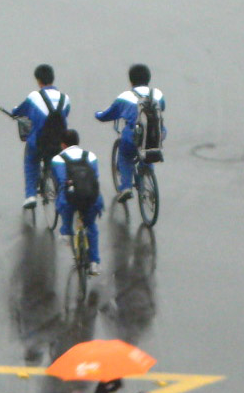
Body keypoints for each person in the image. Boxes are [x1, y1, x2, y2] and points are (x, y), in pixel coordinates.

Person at [95, 64, 166, 202]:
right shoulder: (157, 94)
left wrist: (98, 115)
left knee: (125, 156)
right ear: (148, 79)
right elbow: (161, 107)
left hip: (133, 136)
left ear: (131, 81)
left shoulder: (125, 97)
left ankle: (126, 187)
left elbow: (109, 114)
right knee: (148, 151)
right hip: (156, 134)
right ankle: (146, 176)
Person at [11, 64, 71, 210]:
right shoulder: (65, 98)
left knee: (31, 161)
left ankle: (30, 195)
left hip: (38, 142)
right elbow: (65, 115)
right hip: (58, 142)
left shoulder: (34, 97)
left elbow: (20, 111)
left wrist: (14, 112)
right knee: (56, 162)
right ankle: (63, 191)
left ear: (38, 80)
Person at [51, 129, 104, 276]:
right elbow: (95, 177)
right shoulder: (91, 156)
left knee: (63, 201)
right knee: (91, 226)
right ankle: (94, 263)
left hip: (71, 199)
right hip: (92, 198)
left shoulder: (57, 159)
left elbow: (59, 182)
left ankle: (66, 232)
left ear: (63, 145)